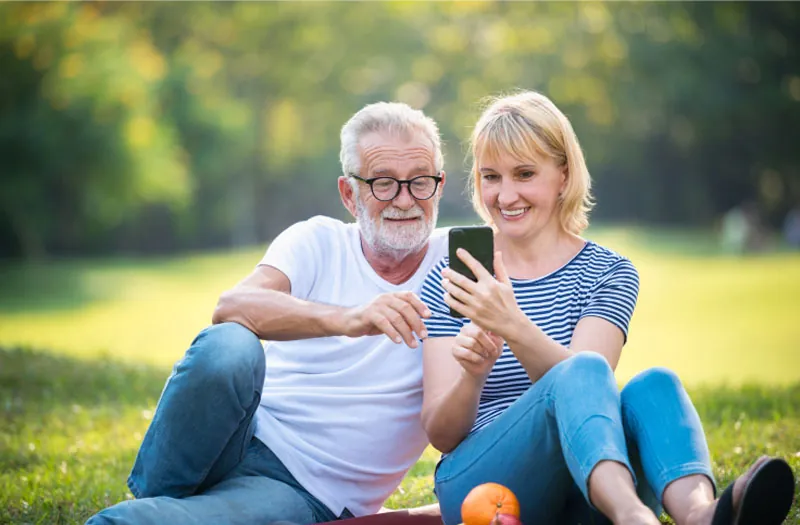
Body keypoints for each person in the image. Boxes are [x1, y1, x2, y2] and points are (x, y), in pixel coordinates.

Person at [418, 92, 795, 525]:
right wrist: (473, 376)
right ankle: (632, 516)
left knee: (655, 384)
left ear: (563, 174)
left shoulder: (607, 272)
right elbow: (442, 435)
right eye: (491, 176)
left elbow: (588, 386)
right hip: (483, 490)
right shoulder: (458, 277)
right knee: (584, 369)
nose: (505, 195)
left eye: (524, 174)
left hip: (585, 485)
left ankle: (700, 516)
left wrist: (512, 325)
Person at [87, 102, 449, 525]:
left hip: (302, 488)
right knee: (229, 346)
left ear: (439, 186)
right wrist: (351, 318)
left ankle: (155, 514)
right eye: (384, 183)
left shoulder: (462, 264)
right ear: (350, 194)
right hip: (235, 432)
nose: (405, 200)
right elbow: (233, 307)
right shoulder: (318, 240)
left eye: (420, 182)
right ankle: (159, 496)